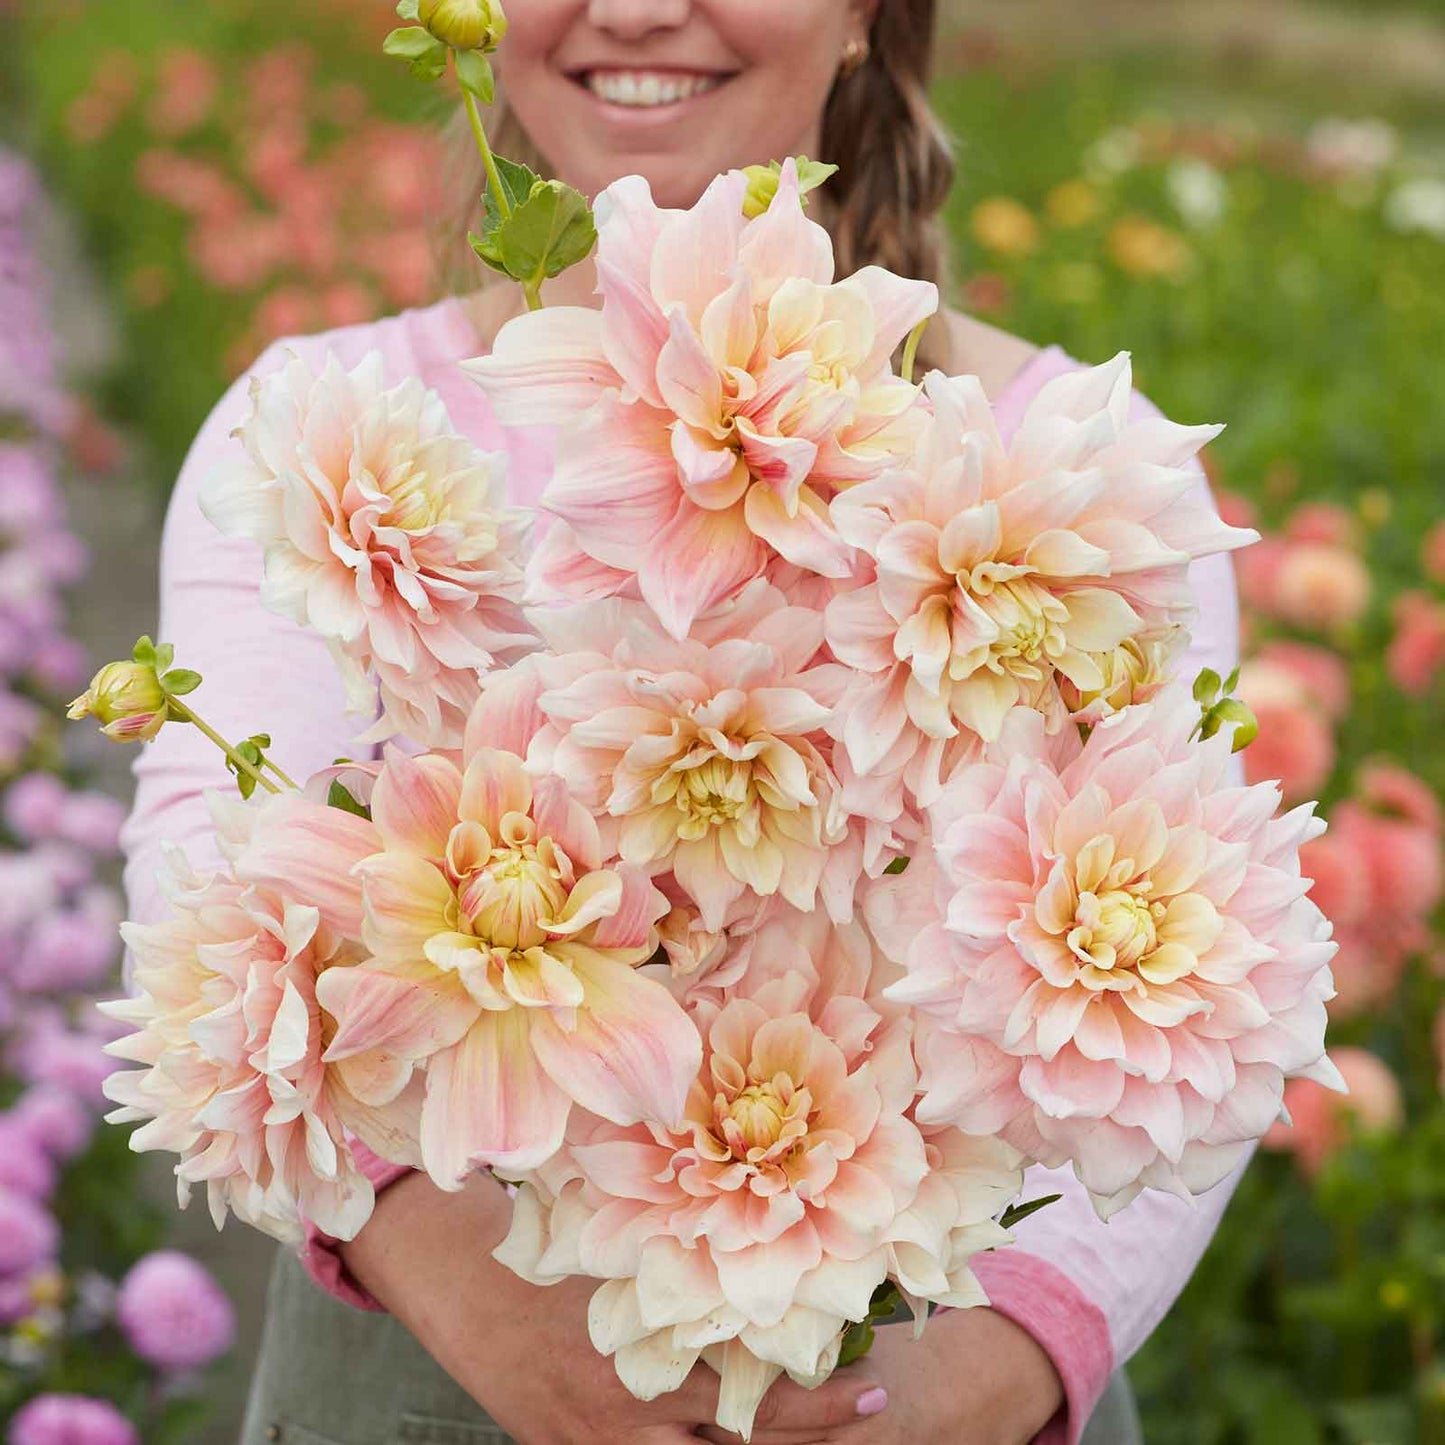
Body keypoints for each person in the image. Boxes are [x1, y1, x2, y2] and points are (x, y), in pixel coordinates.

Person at [120, 1, 1247, 1442]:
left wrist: (982, 1373)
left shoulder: (1084, 471)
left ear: (864, 18)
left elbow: (1194, 987)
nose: (640, 7)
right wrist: (472, 1291)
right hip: (435, 1367)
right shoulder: (322, 427)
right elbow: (206, 894)